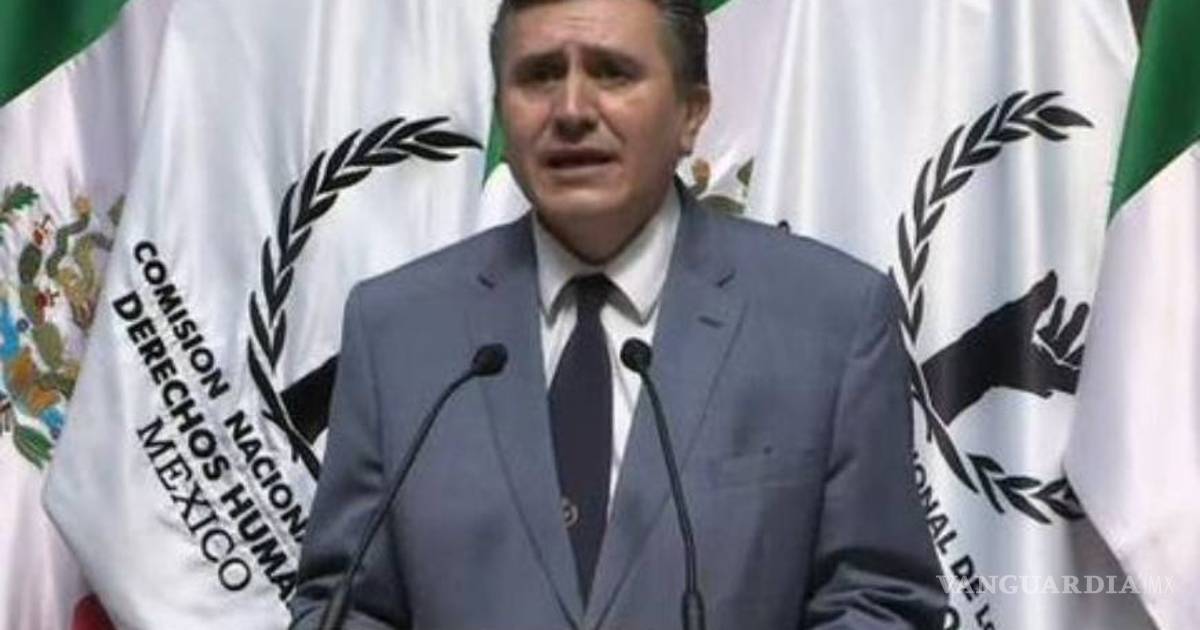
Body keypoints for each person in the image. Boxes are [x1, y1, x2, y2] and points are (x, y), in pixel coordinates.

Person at [290, 0, 946, 627]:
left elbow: (878, 599)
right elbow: (346, 604)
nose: (572, 110)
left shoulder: (830, 320)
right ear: (501, 113)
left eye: (612, 73)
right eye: (539, 76)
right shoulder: (397, 330)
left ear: (691, 113)